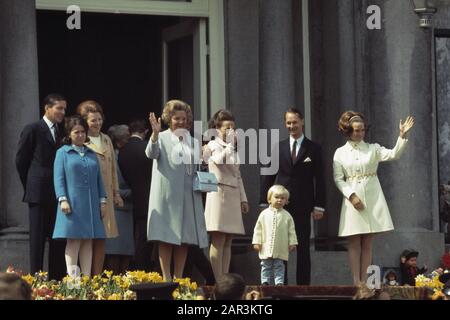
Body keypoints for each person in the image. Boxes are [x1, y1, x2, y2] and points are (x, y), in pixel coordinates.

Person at [333, 111, 415, 285]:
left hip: (372, 197)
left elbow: (394, 154)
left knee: (368, 241)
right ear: (348, 130)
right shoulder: (340, 153)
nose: (359, 133)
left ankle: (365, 281)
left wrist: (402, 136)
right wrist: (351, 196)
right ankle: (356, 282)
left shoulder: (373, 148)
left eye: (362, 130)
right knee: (354, 240)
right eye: (356, 130)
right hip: (353, 199)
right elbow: (338, 178)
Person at [259, 108, 325, 285]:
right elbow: (268, 174)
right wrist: (264, 203)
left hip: (303, 205)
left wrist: (319, 205)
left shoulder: (314, 148)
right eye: (288, 122)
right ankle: (283, 286)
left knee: (303, 246)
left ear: (302, 122)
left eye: (294, 122)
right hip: (280, 205)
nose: (291, 126)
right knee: (281, 247)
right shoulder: (278, 147)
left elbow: (320, 179)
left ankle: (303, 287)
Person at [146, 100, 208, 281]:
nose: (180, 122)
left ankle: (179, 278)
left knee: (184, 239)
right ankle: (166, 278)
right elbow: (151, 154)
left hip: (189, 195)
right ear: (168, 119)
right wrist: (155, 135)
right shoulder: (162, 137)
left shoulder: (193, 140)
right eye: (176, 119)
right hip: (167, 196)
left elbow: (196, 167)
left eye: (183, 118)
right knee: (166, 237)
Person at [15, 93, 67, 280]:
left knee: (57, 238)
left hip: (56, 192)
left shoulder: (62, 132)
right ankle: (36, 280)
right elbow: (21, 160)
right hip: (38, 191)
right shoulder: (33, 128)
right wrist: (30, 183)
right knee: (37, 239)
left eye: (64, 109)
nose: (62, 112)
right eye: (59, 108)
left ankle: (56, 279)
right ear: (47, 108)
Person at [52, 116, 107, 277]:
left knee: (88, 241)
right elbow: (58, 178)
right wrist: (62, 199)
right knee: (74, 241)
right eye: (76, 132)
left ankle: (87, 280)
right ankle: (73, 280)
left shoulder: (91, 153)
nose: (81, 135)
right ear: (69, 134)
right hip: (72, 204)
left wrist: (102, 201)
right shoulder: (62, 153)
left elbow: (99, 180)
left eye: (83, 132)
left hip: (90, 204)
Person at [77, 100, 123, 275]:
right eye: (93, 120)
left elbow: (112, 170)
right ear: (85, 122)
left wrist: (116, 193)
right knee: (88, 237)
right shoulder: (82, 140)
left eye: (99, 119)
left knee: (102, 238)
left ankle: (96, 277)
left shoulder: (106, 139)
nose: (97, 123)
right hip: (89, 195)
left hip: (107, 196)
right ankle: (85, 277)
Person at [203, 109, 249, 280]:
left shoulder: (232, 149)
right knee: (218, 239)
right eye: (227, 128)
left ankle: (225, 278)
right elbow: (218, 161)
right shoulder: (212, 145)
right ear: (217, 129)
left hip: (232, 195)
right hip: (218, 194)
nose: (231, 131)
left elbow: (238, 175)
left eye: (233, 128)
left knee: (229, 241)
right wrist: (230, 145)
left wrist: (243, 198)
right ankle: (218, 280)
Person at [118, 120, 155, 272]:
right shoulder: (147, 147)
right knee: (145, 239)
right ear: (145, 132)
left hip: (130, 197)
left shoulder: (122, 150)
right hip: (149, 197)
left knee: (135, 237)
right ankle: (143, 269)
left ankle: (137, 268)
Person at [104, 125, 135, 275]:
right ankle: (114, 285)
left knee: (127, 250)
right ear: (119, 141)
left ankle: (124, 284)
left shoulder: (126, 154)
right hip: (116, 208)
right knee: (114, 250)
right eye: (127, 138)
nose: (129, 140)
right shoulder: (112, 158)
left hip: (127, 210)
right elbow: (109, 185)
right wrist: (131, 193)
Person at [253, 185, 297, 285]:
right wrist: (256, 242)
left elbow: (291, 231)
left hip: (280, 246)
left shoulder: (287, 215)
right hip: (266, 245)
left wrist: (292, 242)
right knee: (265, 265)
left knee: (279, 265)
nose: (279, 200)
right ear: (269, 199)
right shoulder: (264, 214)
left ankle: (279, 282)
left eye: (282, 198)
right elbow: (258, 229)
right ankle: (265, 281)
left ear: (286, 201)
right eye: (276, 197)